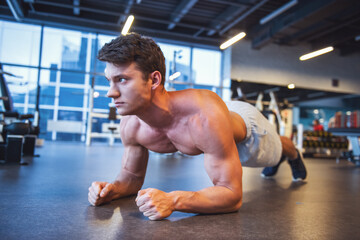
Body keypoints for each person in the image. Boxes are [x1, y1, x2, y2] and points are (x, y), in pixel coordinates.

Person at [88, 33, 307, 221]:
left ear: (154, 80)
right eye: (109, 81)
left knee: (276, 150)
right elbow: (131, 177)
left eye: (122, 80)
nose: (111, 92)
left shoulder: (203, 116)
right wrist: (112, 190)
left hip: (246, 130)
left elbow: (232, 195)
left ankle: (293, 153)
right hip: (218, 121)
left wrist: (173, 200)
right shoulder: (130, 124)